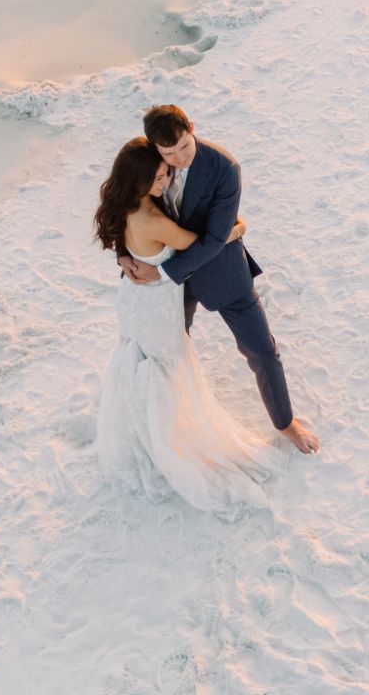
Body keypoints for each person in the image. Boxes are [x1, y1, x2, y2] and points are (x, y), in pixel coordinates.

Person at [118, 105, 320, 455]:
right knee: (163, 352)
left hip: (221, 272)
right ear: (155, 148)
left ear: (192, 128)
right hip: (168, 289)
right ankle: (161, 422)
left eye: (185, 146)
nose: (179, 158)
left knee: (261, 350)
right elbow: (123, 205)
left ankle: (286, 423)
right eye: (169, 154)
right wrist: (124, 253)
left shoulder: (224, 168)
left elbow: (214, 239)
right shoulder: (148, 164)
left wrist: (162, 271)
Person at [93, 138, 274, 512]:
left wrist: (125, 256)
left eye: (165, 174)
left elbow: (122, 241)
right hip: (158, 306)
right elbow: (207, 244)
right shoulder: (153, 220)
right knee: (166, 369)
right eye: (158, 177)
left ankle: (141, 432)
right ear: (139, 180)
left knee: (137, 360)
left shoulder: (121, 204)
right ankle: (164, 442)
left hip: (133, 300)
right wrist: (240, 226)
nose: (166, 181)